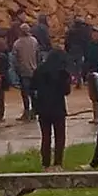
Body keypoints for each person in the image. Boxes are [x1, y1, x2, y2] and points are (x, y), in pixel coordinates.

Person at [31, 43, 72, 171]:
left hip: (43, 107)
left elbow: (32, 88)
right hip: (58, 107)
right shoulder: (62, 72)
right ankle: (58, 163)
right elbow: (66, 91)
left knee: (45, 136)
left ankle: (45, 164)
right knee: (60, 136)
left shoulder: (39, 70)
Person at [13, 23, 40, 121]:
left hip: (23, 71)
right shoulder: (34, 41)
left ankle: (26, 111)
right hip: (34, 70)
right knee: (33, 92)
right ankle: (34, 111)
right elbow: (38, 55)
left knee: (25, 93)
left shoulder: (17, 43)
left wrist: (17, 70)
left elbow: (15, 59)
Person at [64, 16, 92, 90]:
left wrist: (67, 49)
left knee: (71, 66)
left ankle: (75, 78)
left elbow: (67, 41)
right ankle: (79, 78)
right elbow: (87, 41)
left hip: (72, 50)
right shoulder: (85, 31)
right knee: (80, 66)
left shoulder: (70, 31)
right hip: (81, 50)